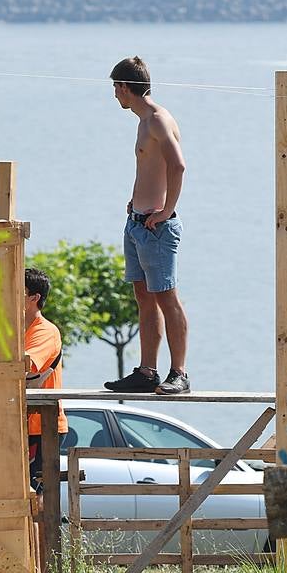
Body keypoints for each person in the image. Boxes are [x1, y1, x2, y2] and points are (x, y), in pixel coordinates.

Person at [103, 56, 191, 395]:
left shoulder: (156, 120)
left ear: (125, 87)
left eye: (115, 88)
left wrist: (167, 211)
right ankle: (147, 371)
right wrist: (134, 200)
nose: (114, 95)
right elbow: (150, 169)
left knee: (167, 298)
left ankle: (179, 373)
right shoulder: (143, 122)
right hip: (138, 223)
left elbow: (178, 166)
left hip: (157, 227)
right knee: (144, 297)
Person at [24, 267, 67, 491]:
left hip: (43, 426)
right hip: (23, 423)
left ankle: (47, 528)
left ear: (34, 298)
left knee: (38, 498)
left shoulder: (45, 330)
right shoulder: (15, 329)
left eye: (17, 291)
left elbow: (27, 364)